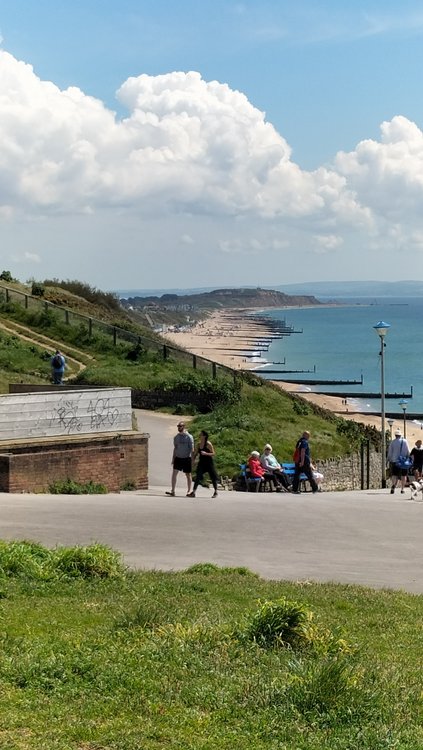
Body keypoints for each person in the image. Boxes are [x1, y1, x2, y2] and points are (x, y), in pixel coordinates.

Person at [166, 421, 194, 497]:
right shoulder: (176, 437)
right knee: (174, 474)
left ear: (184, 427)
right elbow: (175, 448)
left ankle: (189, 491)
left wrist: (192, 460)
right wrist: (173, 458)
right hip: (178, 457)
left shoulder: (189, 437)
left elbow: (192, 449)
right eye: (178, 426)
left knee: (188, 474)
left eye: (180, 426)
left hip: (186, 458)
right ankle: (173, 490)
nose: (179, 428)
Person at [188, 430, 218, 498]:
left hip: (209, 463)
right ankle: (194, 492)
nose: (200, 435)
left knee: (213, 477)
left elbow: (213, 453)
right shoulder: (198, 445)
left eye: (201, 435)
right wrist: (192, 461)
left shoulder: (208, 444)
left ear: (204, 436)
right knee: (198, 476)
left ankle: (215, 491)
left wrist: (206, 453)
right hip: (201, 463)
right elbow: (195, 454)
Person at [387, 429, 410, 494]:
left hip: (394, 461)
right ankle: (402, 489)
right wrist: (408, 458)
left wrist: (388, 460)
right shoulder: (405, 441)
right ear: (400, 435)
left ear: (395, 435)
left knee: (394, 475)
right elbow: (408, 452)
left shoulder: (392, 442)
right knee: (403, 475)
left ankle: (393, 485)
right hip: (403, 461)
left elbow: (390, 453)